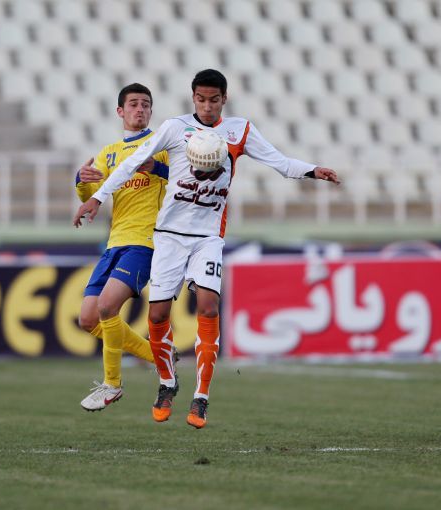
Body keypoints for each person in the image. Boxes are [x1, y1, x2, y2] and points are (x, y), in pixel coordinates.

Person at [73, 69, 340, 428]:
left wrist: (313, 170)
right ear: (193, 98)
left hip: (208, 237)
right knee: (157, 316)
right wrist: (97, 198)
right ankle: (167, 383)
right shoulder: (175, 128)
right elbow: (132, 163)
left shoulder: (239, 131)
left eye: (214, 100)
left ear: (224, 99)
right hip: (168, 235)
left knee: (208, 306)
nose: (208, 106)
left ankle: (201, 398)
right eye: (201, 99)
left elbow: (279, 162)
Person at [75, 83, 169, 412]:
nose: (140, 109)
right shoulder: (110, 153)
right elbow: (91, 195)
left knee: (106, 307)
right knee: (88, 319)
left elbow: (187, 177)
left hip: (145, 241)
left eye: (145, 104)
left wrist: (158, 168)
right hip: (114, 243)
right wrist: (81, 180)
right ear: (120, 111)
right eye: (133, 104)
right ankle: (160, 357)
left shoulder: (161, 145)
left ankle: (112, 384)